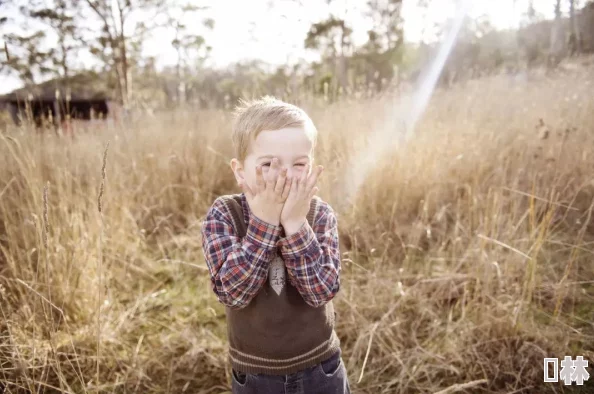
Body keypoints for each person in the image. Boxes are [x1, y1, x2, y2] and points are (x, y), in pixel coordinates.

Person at [201, 96, 350, 394]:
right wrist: (265, 223)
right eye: (269, 163)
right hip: (256, 375)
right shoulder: (224, 214)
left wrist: (296, 224)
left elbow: (322, 290)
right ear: (240, 171)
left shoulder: (319, 214)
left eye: (299, 163)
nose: (284, 174)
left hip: (320, 366)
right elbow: (233, 293)